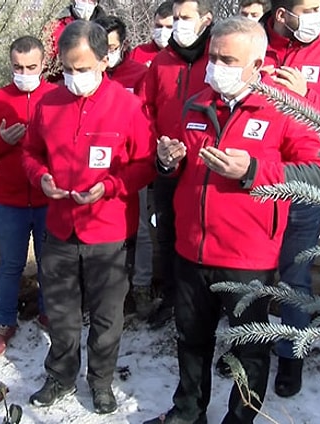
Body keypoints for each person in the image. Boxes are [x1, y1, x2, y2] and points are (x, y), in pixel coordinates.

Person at [143, 16, 320, 424]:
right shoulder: (197, 102)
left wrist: (252, 170)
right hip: (191, 248)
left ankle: (240, 418)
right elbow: (177, 166)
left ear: (257, 63)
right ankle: (187, 412)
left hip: (248, 257)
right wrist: (166, 162)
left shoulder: (285, 107)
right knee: (190, 339)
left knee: (249, 347)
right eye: (213, 57)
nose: (215, 67)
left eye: (227, 59)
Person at [23, 20, 156, 414]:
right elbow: (30, 153)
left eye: (82, 69)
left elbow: (145, 164)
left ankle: (100, 381)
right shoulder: (48, 103)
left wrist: (110, 186)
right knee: (61, 313)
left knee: (106, 316)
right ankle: (61, 376)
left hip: (108, 231)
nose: (74, 77)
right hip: (60, 229)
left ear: (104, 60)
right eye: (67, 69)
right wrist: (42, 177)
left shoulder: (128, 106)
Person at [247, 0, 320, 398]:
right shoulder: (256, 44)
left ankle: (291, 354)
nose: (316, 15)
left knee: (294, 273)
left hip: (306, 179)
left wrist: (306, 94)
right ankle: (247, 344)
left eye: (319, 6)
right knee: (248, 272)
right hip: (253, 177)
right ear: (281, 14)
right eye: (306, 7)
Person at [0, 36, 54, 356]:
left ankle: (49, 312)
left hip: (49, 198)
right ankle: (5, 322)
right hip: (10, 200)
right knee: (10, 264)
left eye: (31, 67)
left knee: (51, 262)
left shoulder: (56, 97)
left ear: (43, 64)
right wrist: (2, 140)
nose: (24, 72)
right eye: (18, 67)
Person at [139, 0, 213, 329]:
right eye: (175, 19)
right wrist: (158, 145)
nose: (178, 25)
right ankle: (170, 296)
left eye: (185, 18)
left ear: (206, 20)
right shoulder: (162, 61)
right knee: (167, 232)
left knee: (206, 234)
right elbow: (145, 107)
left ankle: (210, 303)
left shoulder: (218, 57)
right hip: (169, 164)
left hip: (208, 166)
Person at [94, 15, 154, 318]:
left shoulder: (139, 74)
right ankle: (101, 291)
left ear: (123, 45)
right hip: (95, 167)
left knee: (140, 229)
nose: (107, 53)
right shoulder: (89, 74)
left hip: (130, 165)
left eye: (112, 47)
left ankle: (141, 285)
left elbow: (145, 117)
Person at [42, 0, 107, 81]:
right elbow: (46, 61)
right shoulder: (55, 26)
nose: (86, 3)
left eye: (91, 0)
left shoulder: (106, 28)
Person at [130, 1, 174, 67]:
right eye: (159, 26)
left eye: (169, 27)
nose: (162, 31)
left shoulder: (185, 56)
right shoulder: (138, 53)